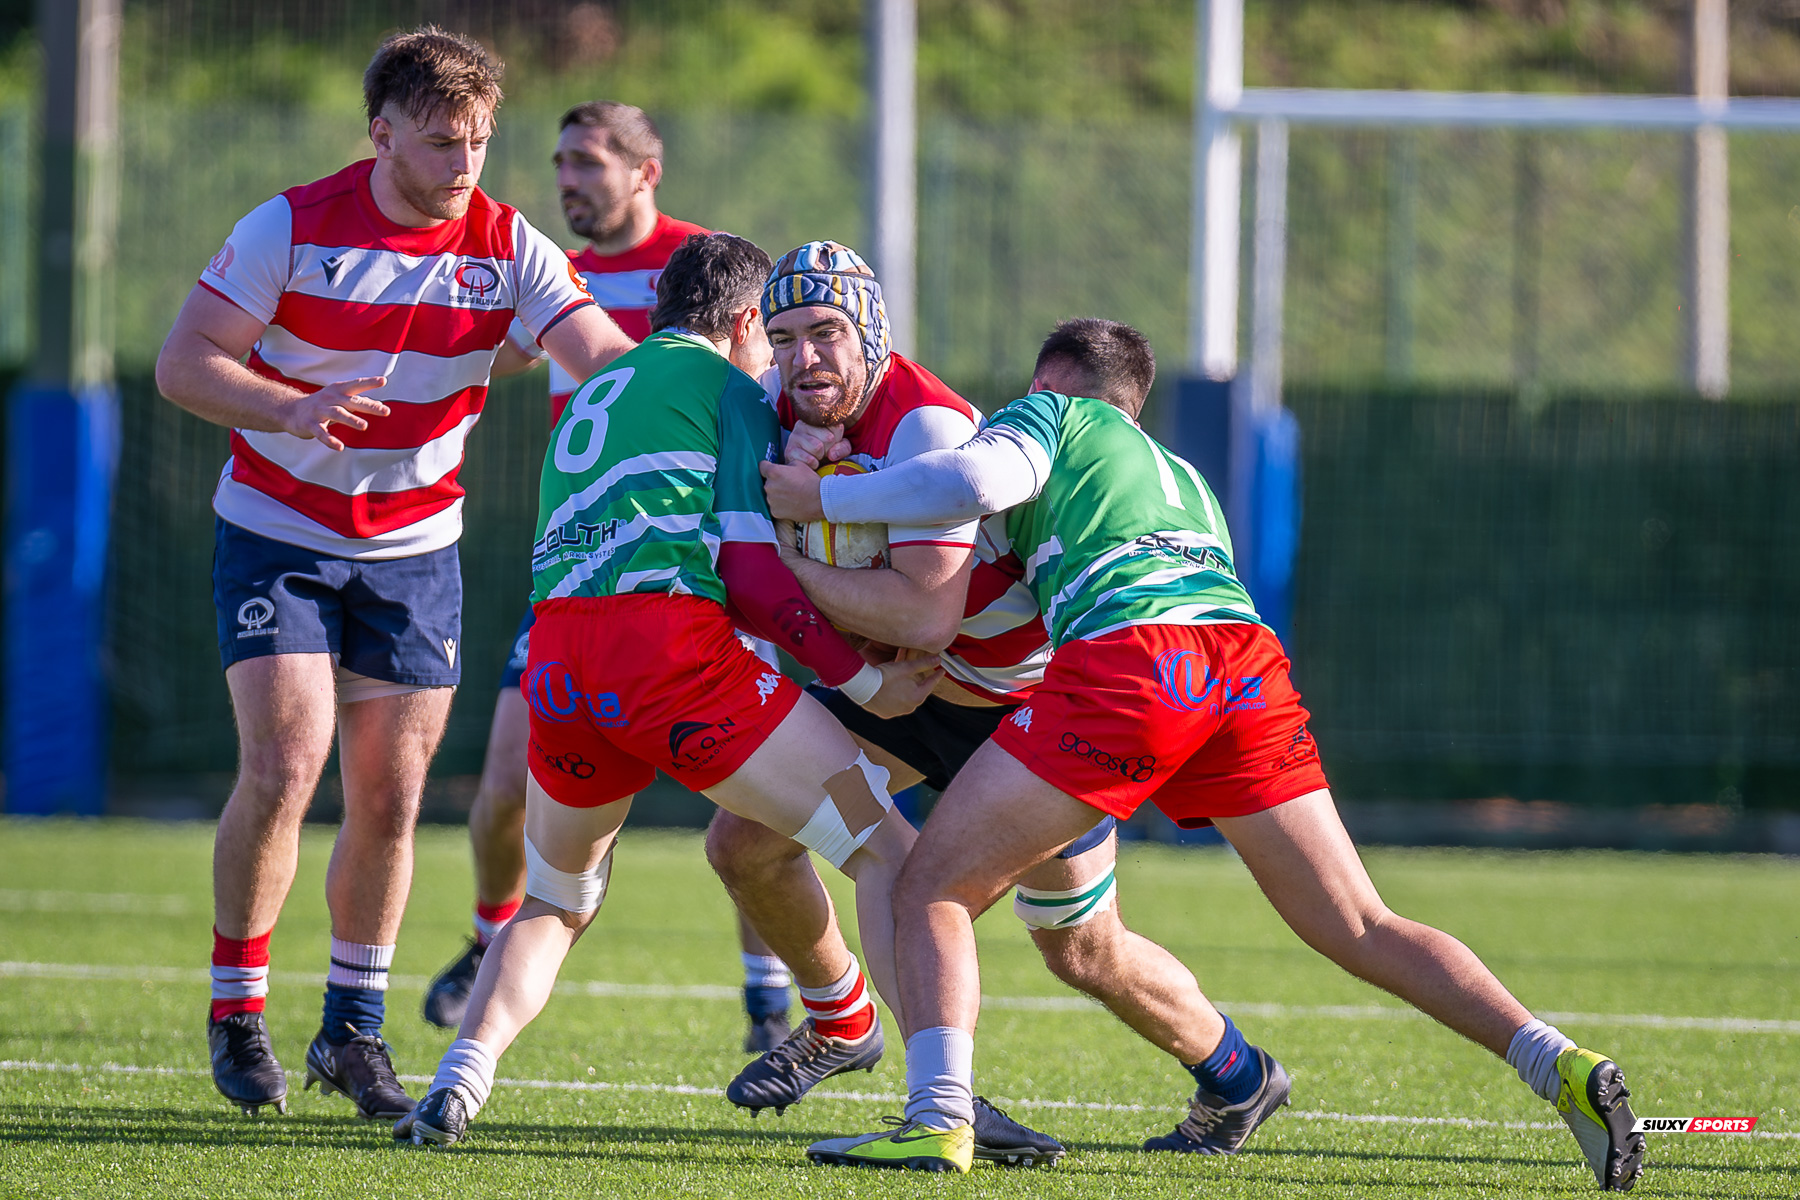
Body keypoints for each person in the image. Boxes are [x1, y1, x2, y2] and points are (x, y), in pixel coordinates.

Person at [769, 319, 1647, 1190]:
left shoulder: (1052, 421)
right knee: (1360, 922)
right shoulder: (1181, 476)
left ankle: (937, 1122)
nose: (1010, 410)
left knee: (931, 887)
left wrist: (821, 503)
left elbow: (966, 479)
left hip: (1131, 661)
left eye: (1029, 395)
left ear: (1056, 391)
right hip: (1243, 665)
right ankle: (1556, 1063)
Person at [154, 27, 635, 1121]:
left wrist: (702, 380)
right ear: (381, 133)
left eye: (479, 141)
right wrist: (290, 407)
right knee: (284, 768)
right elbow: (184, 363)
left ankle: (351, 1032)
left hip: (418, 551)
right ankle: (238, 1007)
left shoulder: (510, 246)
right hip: (279, 523)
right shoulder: (291, 225)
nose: (465, 163)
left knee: (391, 793)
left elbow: (602, 358)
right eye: (440, 141)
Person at [393, 232, 939, 1148]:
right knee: (888, 851)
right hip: (671, 663)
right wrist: (865, 679)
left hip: (559, 668)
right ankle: (942, 1099)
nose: (782, 356)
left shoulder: (595, 393)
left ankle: (458, 1079)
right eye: (771, 333)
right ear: (738, 324)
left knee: (557, 898)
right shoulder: (728, 390)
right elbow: (757, 578)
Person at [420, 100, 798, 1054]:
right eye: (559, 163)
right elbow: (497, 356)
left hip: (694, 568)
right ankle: (484, 937)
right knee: (505, 783)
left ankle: (768, 997)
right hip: (585, 564)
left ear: (646, 171)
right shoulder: (556, 271)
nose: (568, 181)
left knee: (751, 799)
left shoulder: (702, 272)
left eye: (588, 161)